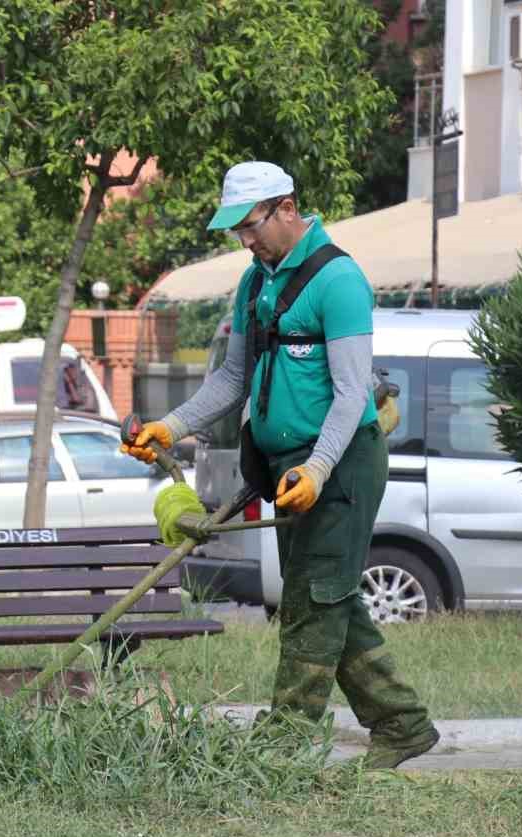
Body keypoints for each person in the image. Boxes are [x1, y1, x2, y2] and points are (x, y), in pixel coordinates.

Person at [122, 161, 439, 769]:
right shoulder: (255, 283)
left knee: (312, 600)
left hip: (340, 463)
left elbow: (351, 395)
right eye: (236, 230)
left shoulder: (339, 280)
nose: (245, 239)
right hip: (286, 466)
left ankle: (284, 742)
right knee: (328, 596)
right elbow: (235, 378)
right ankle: (401, 723)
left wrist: (318, 469)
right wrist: (174, 425)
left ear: (287, 207)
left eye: (251, 225)